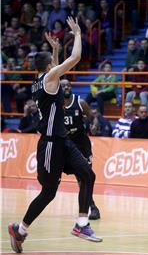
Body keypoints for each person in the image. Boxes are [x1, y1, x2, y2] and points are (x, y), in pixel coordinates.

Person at [8, 17, 102, 255]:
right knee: (48, 192)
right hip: (50, 144)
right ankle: (21, 229)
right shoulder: (49, 78)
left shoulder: (42, 81)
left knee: (87, 174)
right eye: (52, 62)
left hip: (63, 141)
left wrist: (56, 50)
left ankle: (81, 224)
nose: (55, 65)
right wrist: (78, 34)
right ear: (48, 66)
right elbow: (77, 59)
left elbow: (55, 76)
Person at [61, 79, 101, 220]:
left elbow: (92, 117)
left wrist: (94, 125)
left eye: (68, 85)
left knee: (84, 177)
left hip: (81, 144)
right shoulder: (55, 105)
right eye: (63, 85)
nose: (66, 87)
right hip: (65, 145)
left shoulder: (80, 102)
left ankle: (92, 207)